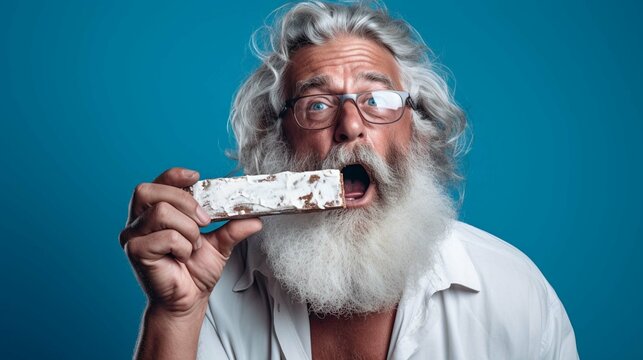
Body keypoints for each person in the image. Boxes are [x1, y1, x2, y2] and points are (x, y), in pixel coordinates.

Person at [119, 2, 578, 359]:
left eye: (377, 99)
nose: (351, 125)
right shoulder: (210, 294)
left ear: (417, 129)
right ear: (277, 142)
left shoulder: (514, 293)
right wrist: (175, 315)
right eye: (316, 104)